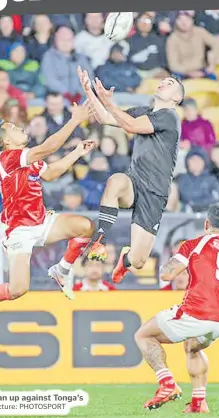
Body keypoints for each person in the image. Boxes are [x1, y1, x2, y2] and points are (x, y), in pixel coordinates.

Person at [0, 102, 97, 333]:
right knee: (18, 289)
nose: (19, 127)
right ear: (6, 141)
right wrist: (74, 120)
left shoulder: (29, 160)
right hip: (19, 230)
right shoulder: (8, 158)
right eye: (12, 127)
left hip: (41, 221)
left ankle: (61, 270)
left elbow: (50, 173)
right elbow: (48, 148)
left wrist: (77, 153)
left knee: (86, 226)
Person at [134, 203, 219, 413]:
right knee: (192, 347)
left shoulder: (194, 244)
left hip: (195, 312)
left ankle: (167, 383)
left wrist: (154, 263)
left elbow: (167, 274)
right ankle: (199, 403)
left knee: (143, 335)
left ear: (206, 224)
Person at [77, 66, 183, 283]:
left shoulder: (170, 117)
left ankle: (125, 259)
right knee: (115, 181)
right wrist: (89, 91)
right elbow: (106, 118)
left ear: (177, 97)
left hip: (155, 192)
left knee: (138, 261)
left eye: (170, 83)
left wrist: (109, 102)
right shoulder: (144, 110)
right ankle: (100, 240)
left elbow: (130, 125)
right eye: (163, 81)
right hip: (134, 180)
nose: (163, 83)